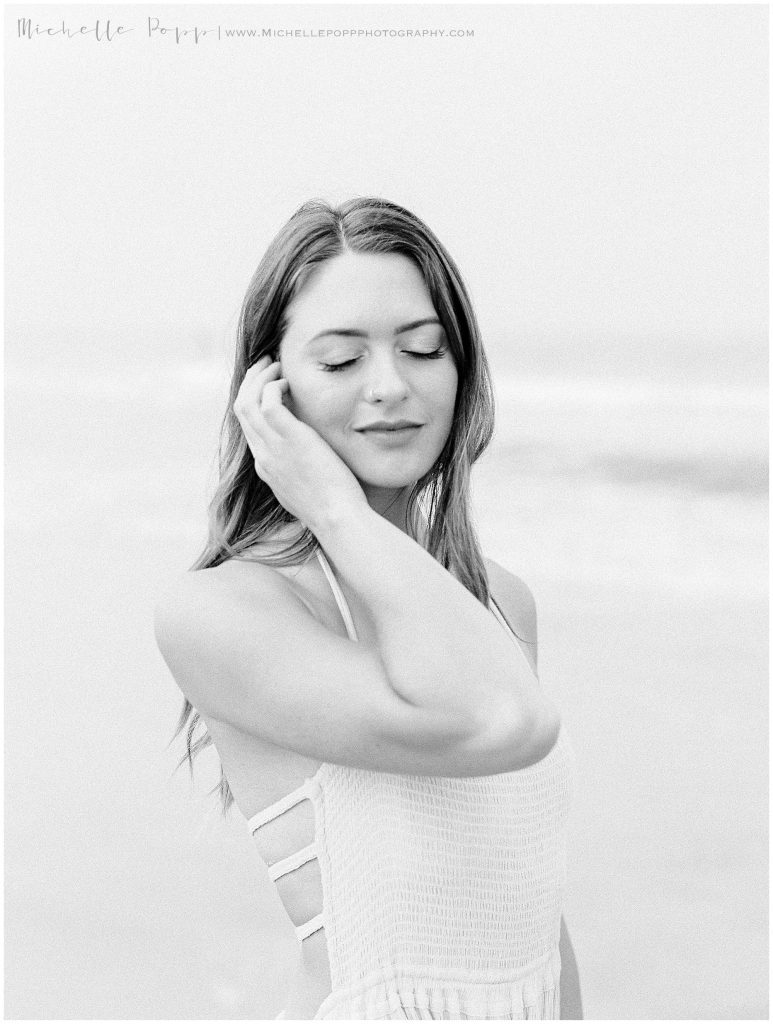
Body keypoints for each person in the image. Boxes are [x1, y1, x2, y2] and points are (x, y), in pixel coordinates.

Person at [154, 196, 582, 1020]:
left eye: (424, 349)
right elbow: (503, 724)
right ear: (269, 392)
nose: (390, 386)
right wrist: (331, 508)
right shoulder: (220, 611)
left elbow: (535, 925)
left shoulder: (500, 603)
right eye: (341, 362)